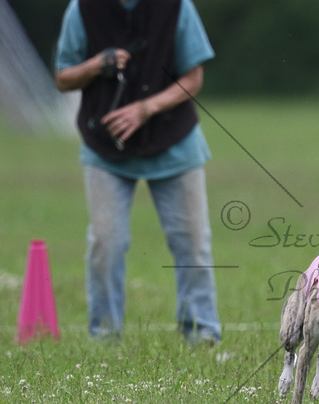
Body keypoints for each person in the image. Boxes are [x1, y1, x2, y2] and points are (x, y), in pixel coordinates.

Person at [54, 0, 221, 344]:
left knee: (193, 242)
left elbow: (194, 77)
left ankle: (202, 332)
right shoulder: (81, 9)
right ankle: (105, 336)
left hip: (175, 140)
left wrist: (147, 108)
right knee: (106, 241)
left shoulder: (177, 6)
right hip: (105, 147)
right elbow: (63, 76)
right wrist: (98, 65)